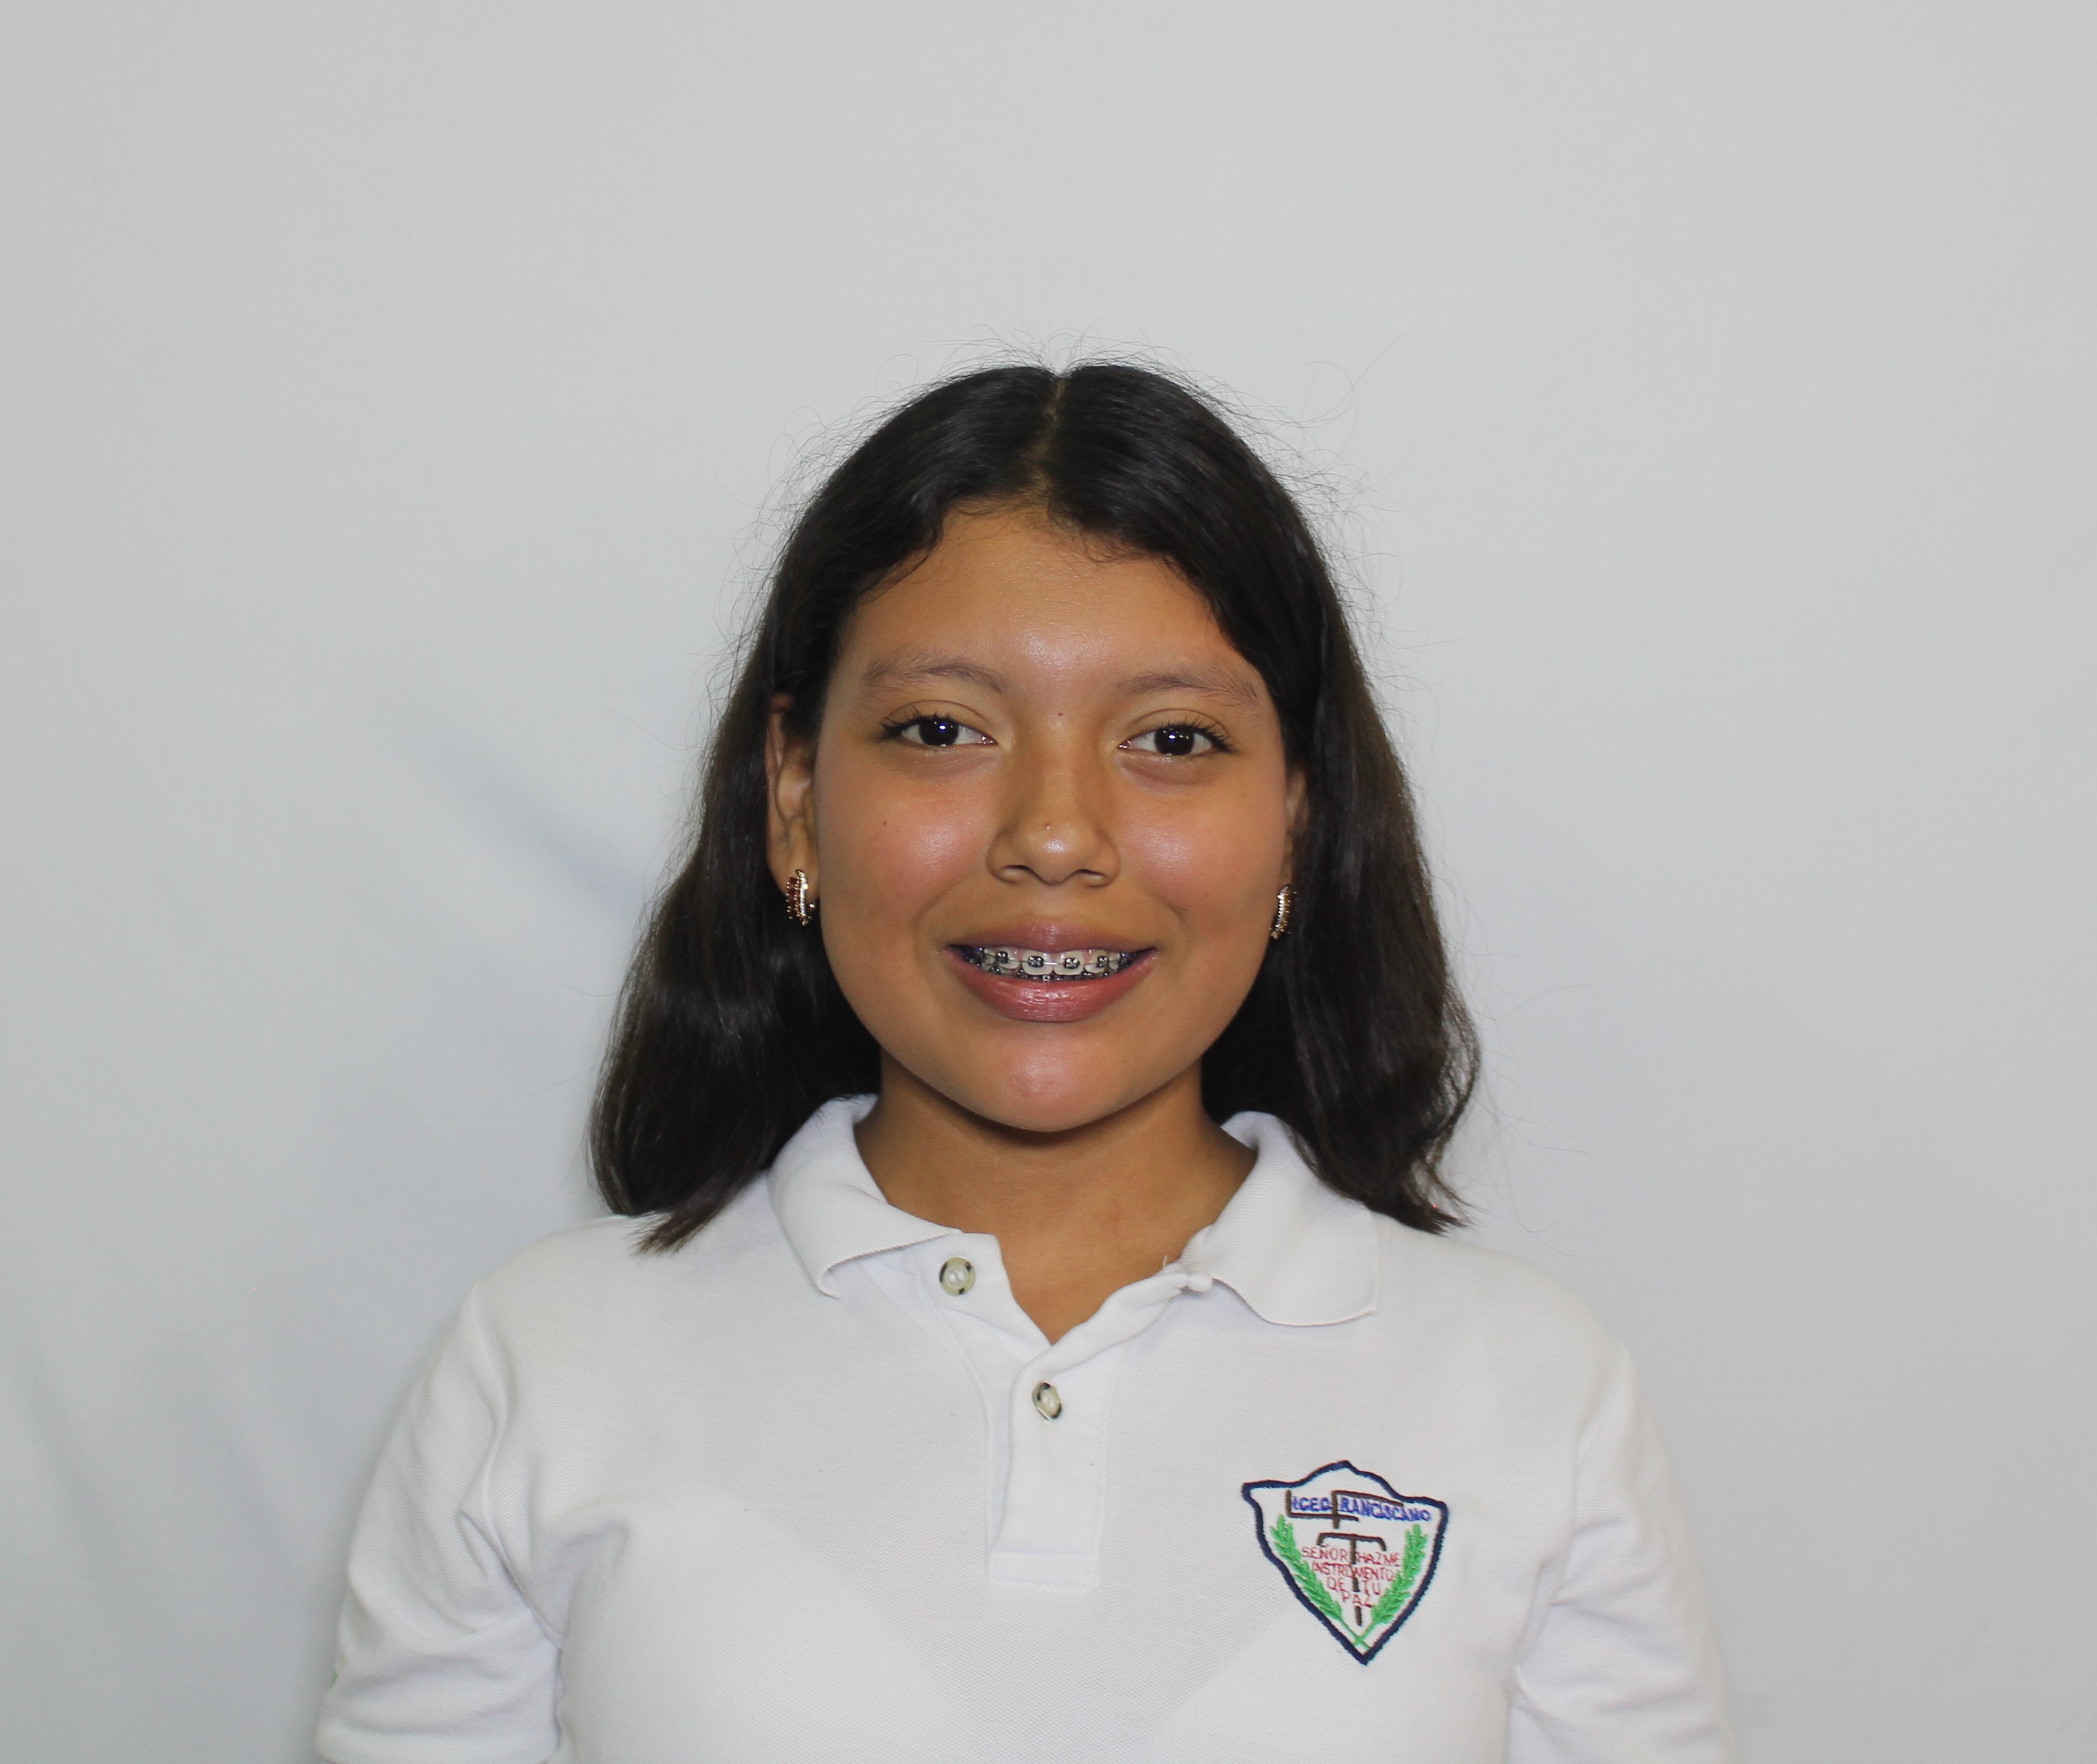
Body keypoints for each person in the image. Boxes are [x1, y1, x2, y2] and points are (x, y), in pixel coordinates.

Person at [317, 362, 1736, 1763]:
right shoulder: (546, 1364)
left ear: (1297, 819)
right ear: (793, 796)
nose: (1055, 836)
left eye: (1170, 739)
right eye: (941, 731)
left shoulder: (1528, 1391)